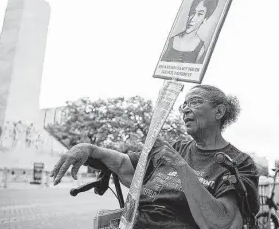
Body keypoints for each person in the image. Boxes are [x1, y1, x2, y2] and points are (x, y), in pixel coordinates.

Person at [50, 85, 260, 229]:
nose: (185, 109)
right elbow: (126, 165)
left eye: (194, 102)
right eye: (183, 105)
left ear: (219, 111)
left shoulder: (239, 162)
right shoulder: (175, 147)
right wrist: (90, 150)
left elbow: (220, 222)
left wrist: (181, 166)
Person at [161, 0, 221, 64]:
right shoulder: (170, 41)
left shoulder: (201, 49)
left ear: (205, 18)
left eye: (199, 14)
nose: (192, 19)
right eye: (192, 12)